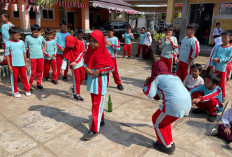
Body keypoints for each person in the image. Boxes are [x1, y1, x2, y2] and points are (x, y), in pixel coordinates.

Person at [143, 61, 191, 155]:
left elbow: (150, 94)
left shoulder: (157, 77)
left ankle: (166, 146)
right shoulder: (175, 76)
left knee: (157, 121)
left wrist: (145, 84)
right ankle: (170, 142)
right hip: (187, 103)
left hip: (174, 104)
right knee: (165, 121)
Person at [83, 30, 114, 140]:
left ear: (100, 42)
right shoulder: (90, 51)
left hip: (100, 82)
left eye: (94, 41)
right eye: (90, 41)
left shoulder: (105, 53)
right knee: (95, 103)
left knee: (97, 105)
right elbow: (85, 62)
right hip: (92, 81)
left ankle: (94, 129)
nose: (92, 44)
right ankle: (100, 120)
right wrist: (86, 68)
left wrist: (99, 71)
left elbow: (111, 67)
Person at [5, 27, 31, 97]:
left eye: (19, 35)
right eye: (16, 35)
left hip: (22, 64)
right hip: (13, 64)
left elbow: (24, 53)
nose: (18, 37)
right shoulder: (8, 43)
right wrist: (9, 65)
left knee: (24, 77)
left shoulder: (21, 42)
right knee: (14, 78)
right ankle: (15, 91)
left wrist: (26, 62)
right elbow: (7, 55)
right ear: (11, 35)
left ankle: (27, 89)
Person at [209, 31, 232, 102]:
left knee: (221, 83)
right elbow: (213, 56)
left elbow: (229, 58)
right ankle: (212, 93)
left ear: (230, 38)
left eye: (225, 38)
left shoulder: (230, 48)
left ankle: (222, 95)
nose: (223, 39)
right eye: (222, 38)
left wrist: (219, 60)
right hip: (215, 68)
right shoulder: (218, 46)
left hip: (223, 68)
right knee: (213, 81)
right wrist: (212, 65)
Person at [61, 35, 85, 101]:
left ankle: (74, 88)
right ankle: (77, 95)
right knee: (76, 80)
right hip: (74, 67)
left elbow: (81, 54)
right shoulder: (67, 49)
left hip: (80, 63)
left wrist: (76, 61)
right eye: (69, 45)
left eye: (71, 45)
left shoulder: (80, 43)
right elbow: (65, 59)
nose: (70, 47)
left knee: (82, 77)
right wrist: (63, 68)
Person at [25, 24, 47, 91]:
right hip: (32, 58)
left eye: (38, 32)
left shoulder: (41, 37)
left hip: (40, 57)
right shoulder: (28, 38)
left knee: (40, 71)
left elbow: (45, 43)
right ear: (32, 31)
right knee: (32, 72)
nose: (37, 33)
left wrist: (44, 50)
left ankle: (39, 84)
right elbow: (25, 48)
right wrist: (26, 58)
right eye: (35, 32)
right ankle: (29, 85)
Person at [105, 26, 124, 91]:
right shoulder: (105, 38)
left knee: (115, 71)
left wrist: (110, 44)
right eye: (106, 32)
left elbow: (118, 48)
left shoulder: (115, 39)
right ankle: (105, 84)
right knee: (105, 71)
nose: (108, 33)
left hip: (112, 57)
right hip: (105, 58)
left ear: (113, 32)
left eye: (109, 32)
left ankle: (119, 83)